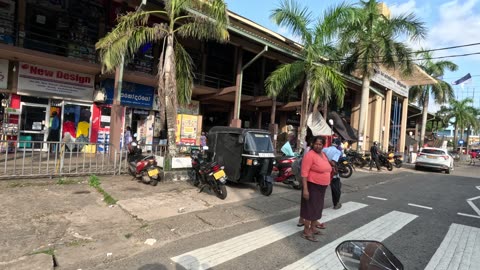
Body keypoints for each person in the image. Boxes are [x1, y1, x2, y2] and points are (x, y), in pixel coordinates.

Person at [298, 136, 332, 242]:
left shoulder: (323, 154)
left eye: (320, 144)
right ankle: (306, 231)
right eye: (316, 144)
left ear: (323, 145)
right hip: (312, 185)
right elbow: (304, 173)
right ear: (312, 144)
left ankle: (313, 228)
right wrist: (305, 189)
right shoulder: (309, 155)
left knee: (317, 207)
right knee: (310, 208)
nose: (318, 146)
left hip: (322, 187)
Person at [323, 139, 343, 209]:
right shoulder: (337, 151)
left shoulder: (324, 149)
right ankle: (336, 203)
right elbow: (333, 162)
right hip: (332, 173)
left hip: (323, 171)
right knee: (336, 188)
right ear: (338, 145)